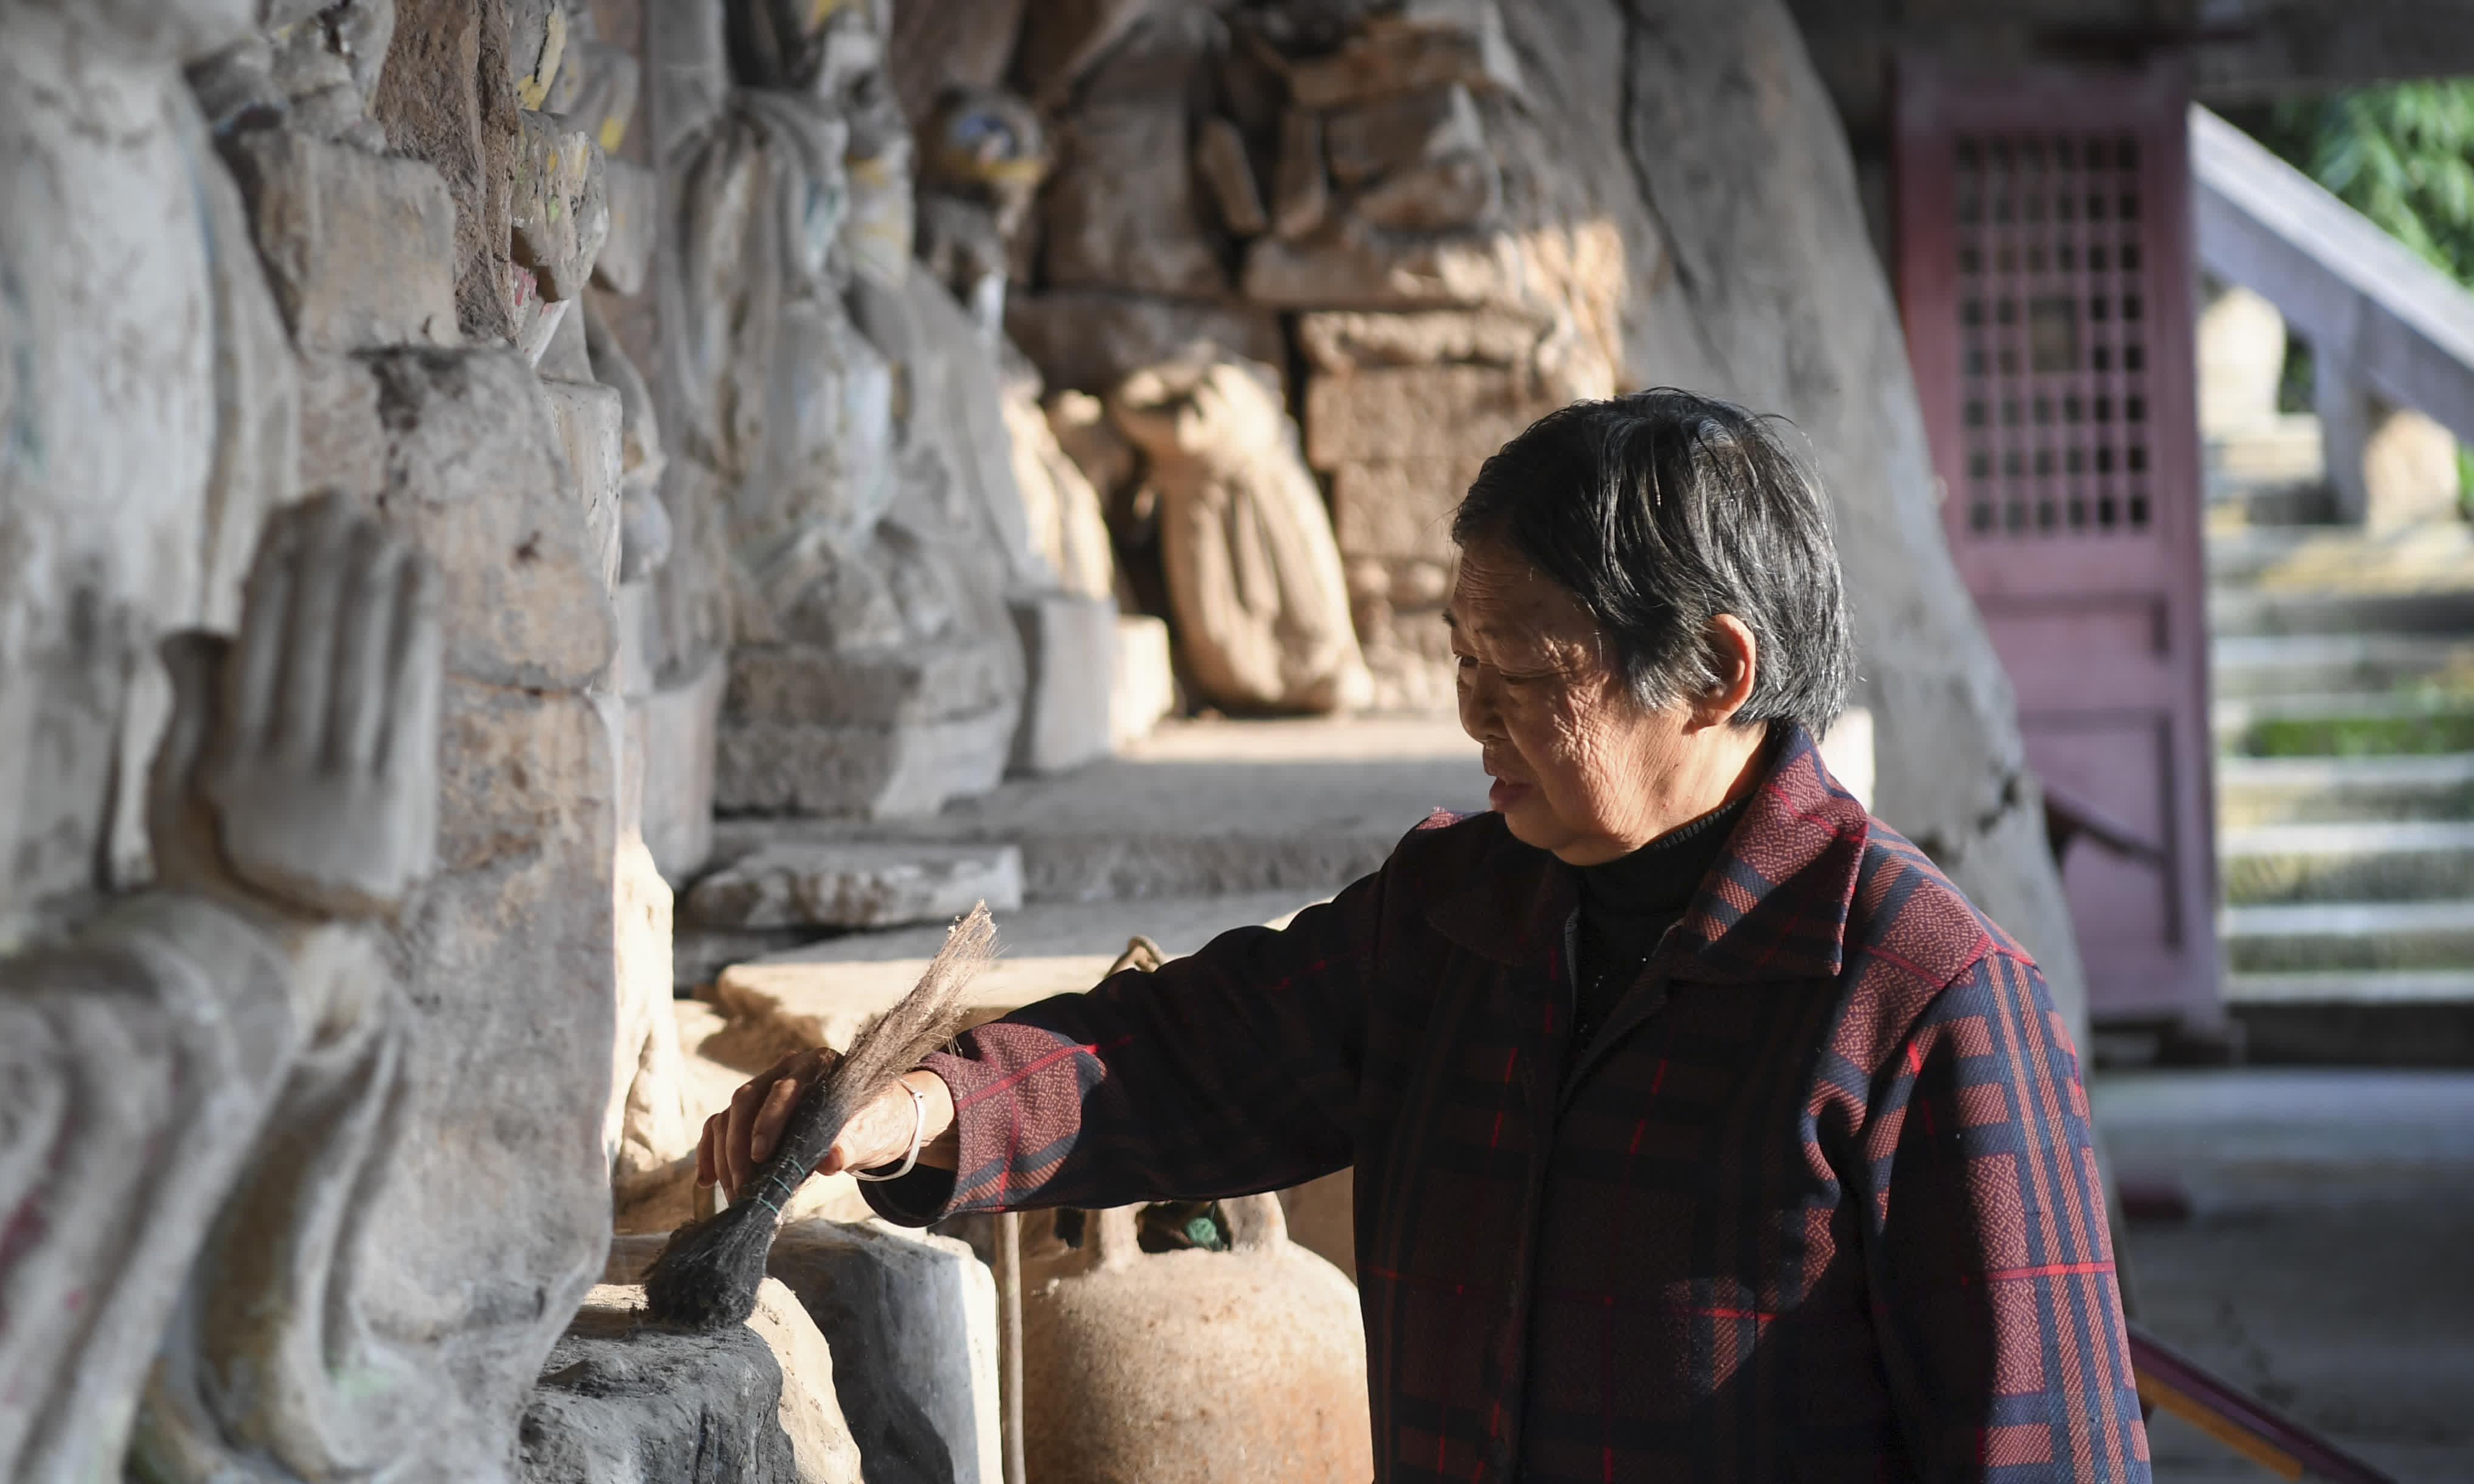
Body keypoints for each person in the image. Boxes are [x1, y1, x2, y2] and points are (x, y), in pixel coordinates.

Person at [702, 389, 2150, 1483]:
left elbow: (2048, 1453)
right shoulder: (1465, 911)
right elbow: (1184, 1054)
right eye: (1461, 659)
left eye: (1519, 670)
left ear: (1713, 672)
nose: (1471, 715)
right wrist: (918, 1107)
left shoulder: (1925, 1000)